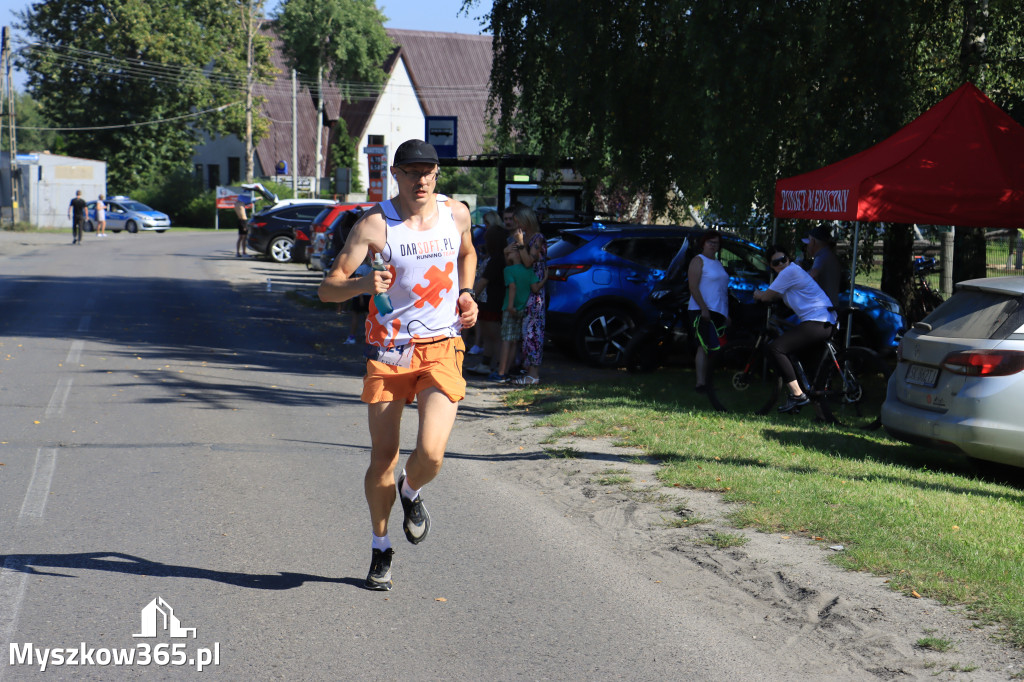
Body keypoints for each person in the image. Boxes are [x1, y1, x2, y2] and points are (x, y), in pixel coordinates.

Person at [317, 139, 477, 591]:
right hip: (389, 353)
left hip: (443, 345)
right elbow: (328, 289)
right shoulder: (374, 226)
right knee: (383, 458)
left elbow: (467, 253)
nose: (421, 180)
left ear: (437, 174)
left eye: (428, 171)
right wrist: (363, 284)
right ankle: (380, 547)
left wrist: (467, 294)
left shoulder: (456, 214)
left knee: (430, 453)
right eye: (411, 172)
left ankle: (412, 491)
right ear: (396, 175)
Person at [753, 247, 837, 413]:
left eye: (783, 259)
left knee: (776, 348)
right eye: (776, 262)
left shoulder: (788, 272)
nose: (781, 263)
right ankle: (821, 414)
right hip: (826, 322)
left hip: (817, 322)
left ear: (788, 259)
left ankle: (797, 395)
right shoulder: (793, 272)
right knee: (804, 362)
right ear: (771, 266)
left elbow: (767, 296)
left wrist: (757, 294)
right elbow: (778, 294)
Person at [506, 204, 547, 386]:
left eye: (518, 221)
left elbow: (529, 262)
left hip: (534, 293)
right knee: (525, 331)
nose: (516, 224)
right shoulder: (524, 238)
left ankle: (533, 374)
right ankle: (527, 371)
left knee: (533, 331)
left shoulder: (537, 238)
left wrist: (521, 243)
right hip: (524, 290)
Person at [494, 241, 544, 382]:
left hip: (510, 309)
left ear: (517, 254)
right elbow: (535, 288)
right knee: (514, 341)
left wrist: (510, 305)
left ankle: (501, 372)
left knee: (505, 340)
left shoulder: (509, 270)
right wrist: (545, 278)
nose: (507, 254)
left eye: (510, 251)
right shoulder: (529, 271)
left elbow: (512, 287)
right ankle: (508, 370)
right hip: (522, 309)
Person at [687, 230, 730, 392]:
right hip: (701, 310)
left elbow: (722, 291)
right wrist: (703, 308)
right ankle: (700, 383)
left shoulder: (718, 264)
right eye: (710, 242)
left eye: (716, 243)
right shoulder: (698, 261)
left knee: (715, 347)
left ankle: (708, 380)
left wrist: (727, 314)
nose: (713, 245)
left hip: (719, 311)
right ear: (703, 243)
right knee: (703, 346)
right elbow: (693, 286)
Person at [467, 212, 507, 375]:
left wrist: (469, 296)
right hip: (486, 301)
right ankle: (486, 363)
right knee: (488, 336)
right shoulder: (493, 257)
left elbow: (483, 281)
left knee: (494, 336)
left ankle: (496, 366)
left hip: (492, 301)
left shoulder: (497, 258)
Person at [802, 224, 840, 307]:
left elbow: (813, 275)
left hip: (823, 307)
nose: (807, 247)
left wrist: (799, 272)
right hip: (829, 304)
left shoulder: (821, 257)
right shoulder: (829, 254)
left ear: (813, 242)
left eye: (808, 242)